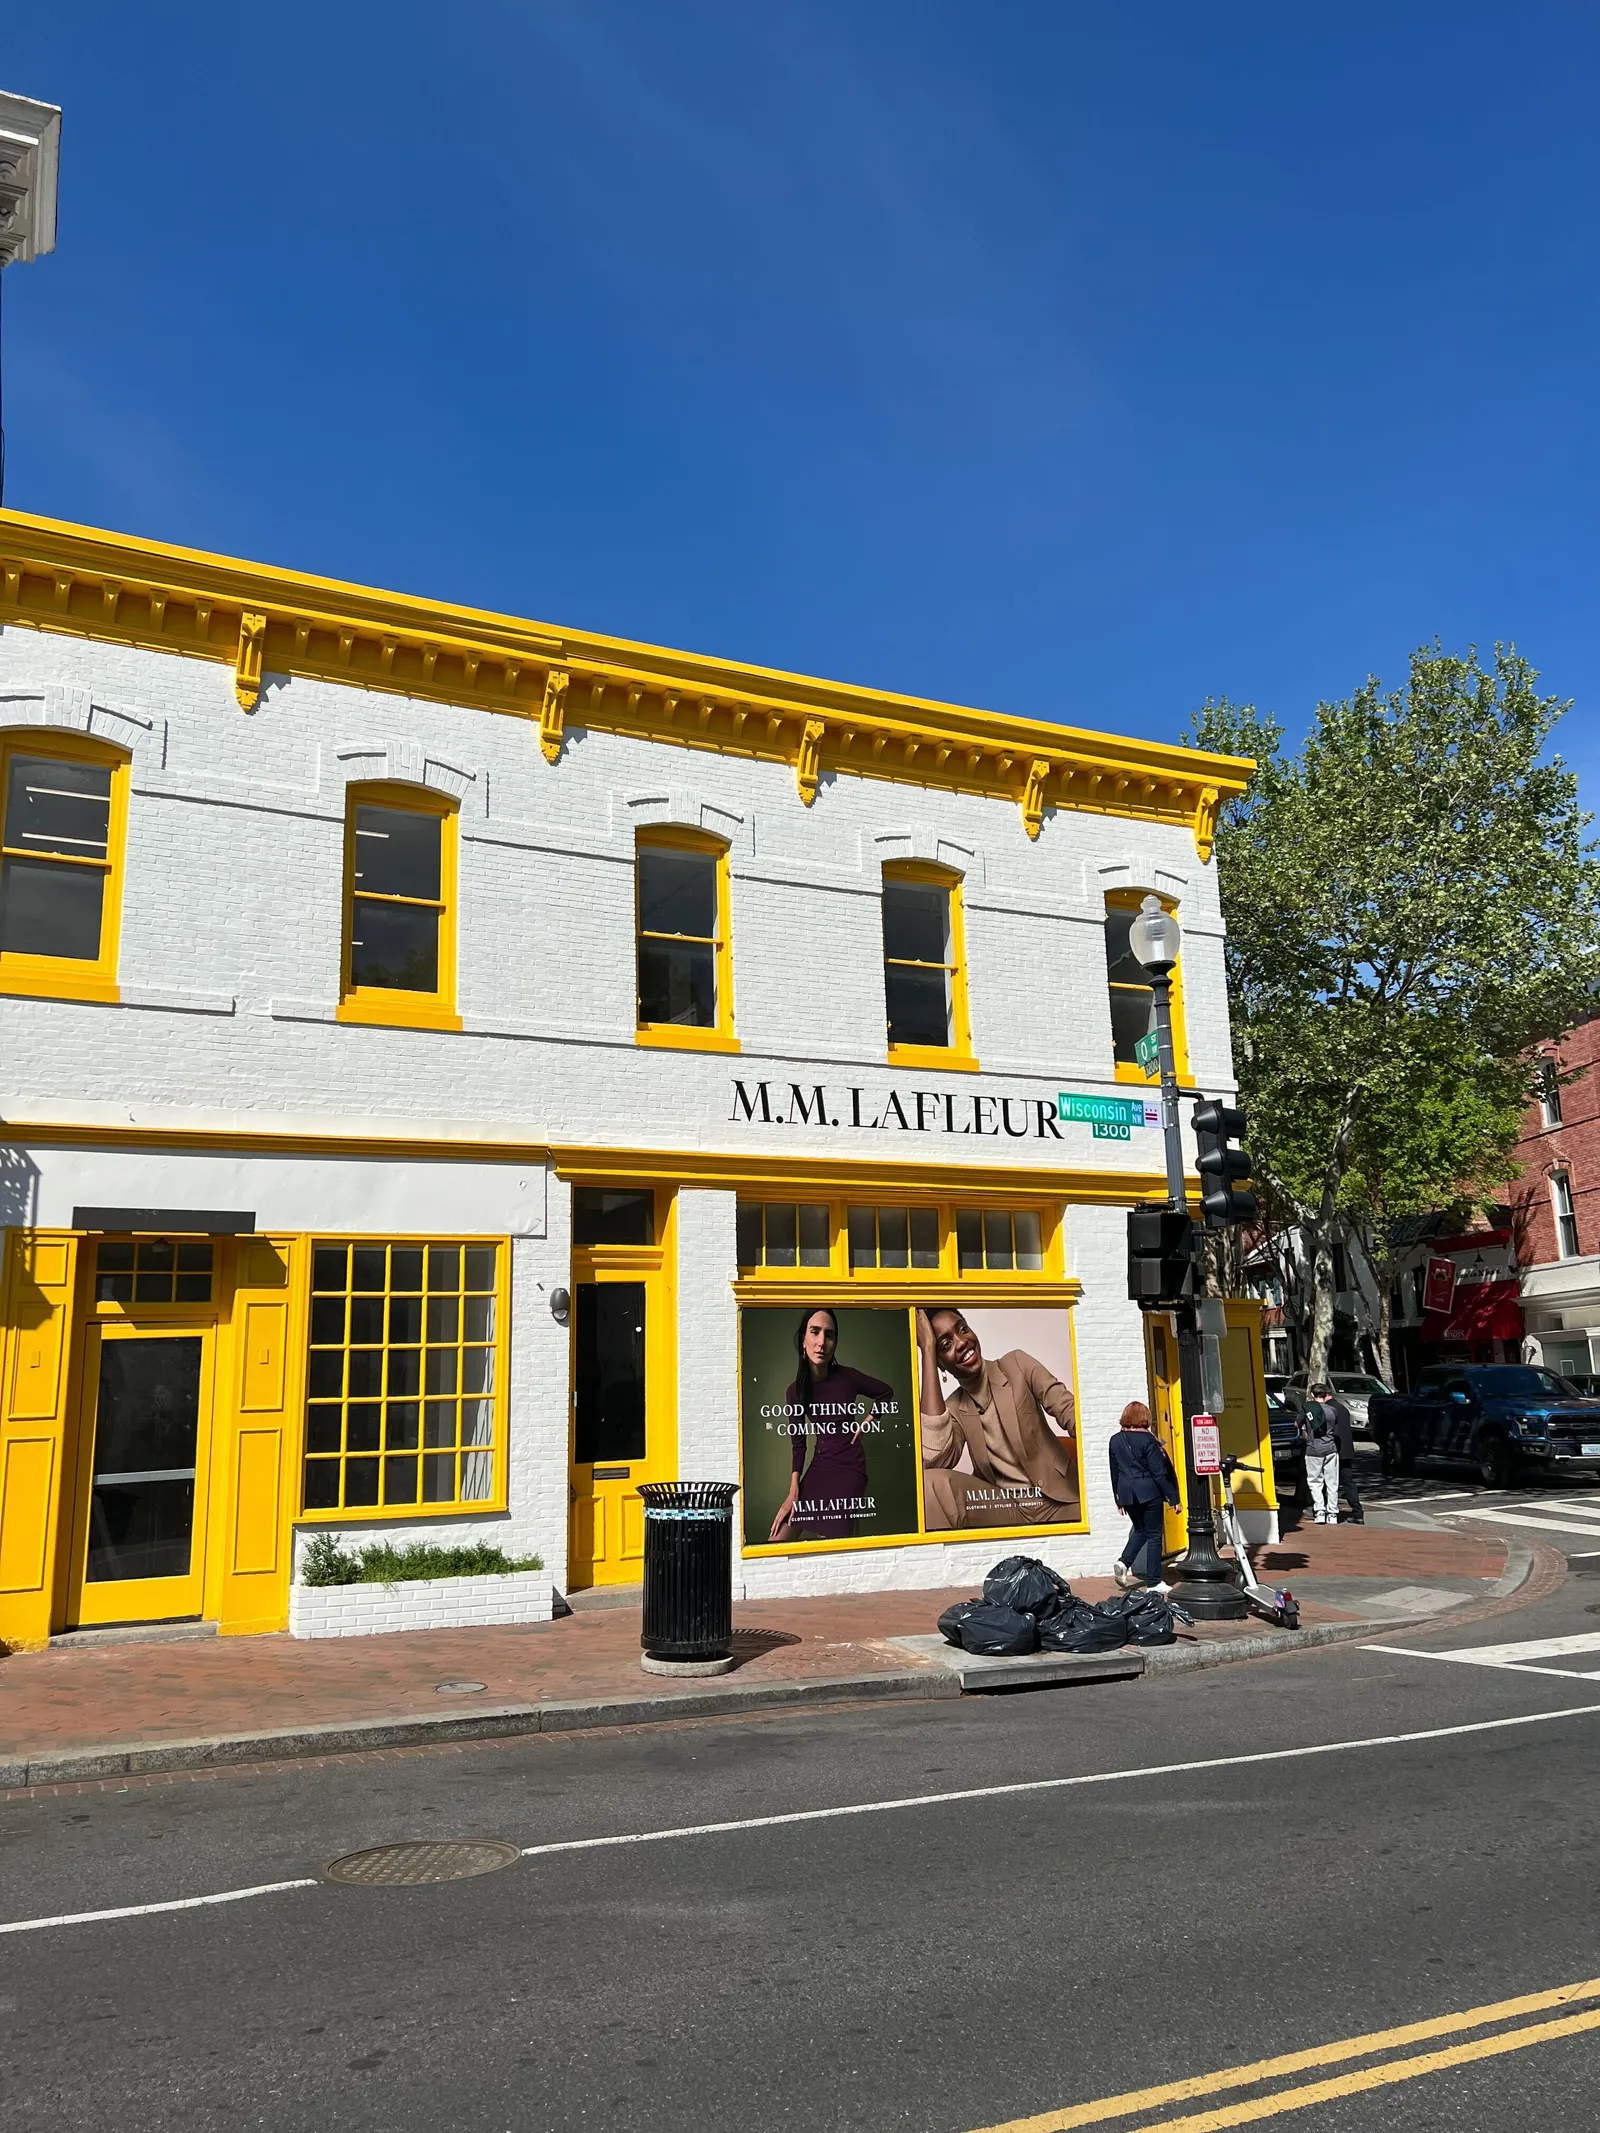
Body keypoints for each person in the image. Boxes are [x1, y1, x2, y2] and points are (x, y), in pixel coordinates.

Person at [915, 1306, 1080, 1529]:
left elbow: (1068, 1409)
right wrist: (927, 1351)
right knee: (929, 1485)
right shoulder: (954, 1407)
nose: (961, 1342)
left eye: (963, 1329)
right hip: (1006, 1508)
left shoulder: (1017, 1365)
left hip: (1060, 1498)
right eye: (946, 1344)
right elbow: (934, 1460)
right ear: (940, 1363)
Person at [768, 1308, 897, 1542]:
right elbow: (798, 1443)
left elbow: (886, 1393)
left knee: (829, 1543)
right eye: (815, 1332)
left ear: (834, 1343)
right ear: (803, 1340)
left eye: (829, 1335)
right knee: (777, 1541)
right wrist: (793, 1491)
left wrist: (868, 1422)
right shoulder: (794, 1392)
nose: (821, 1342)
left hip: (850, 1467)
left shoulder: (848, 1377)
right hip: (820, 1465)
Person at [1107, 1400, 1180, 1587]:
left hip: (1126, 1493)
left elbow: (1114, 1471)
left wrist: (1118, 1497)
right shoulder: (1149, 1440)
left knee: (1140, 1529)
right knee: (1155, 1535)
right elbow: (1159, 1472)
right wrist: (1173, 1498)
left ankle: (1123, 1562)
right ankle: (1154, 1582)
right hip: (1149, 1492)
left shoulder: (1115, 1440)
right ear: (1144, 1418)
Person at [1299, 1384, 1341, 1524]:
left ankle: (1320, 1511)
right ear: (1325, 1394)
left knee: (1315, 1481)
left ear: (1312, 1394)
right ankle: (1333, 1513)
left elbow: (1297, 1424)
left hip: (1313, 1449)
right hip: (1330, 1448)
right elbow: (1335, 1426)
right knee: (1332, 1482)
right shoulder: (1333, 1410)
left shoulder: (1308, 1408)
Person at [1325, 1386, 1363, 1523]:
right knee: (1348, 1482)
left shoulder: (1327, 1409)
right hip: (1346, 1450)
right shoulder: (1342, 1408)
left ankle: (1325, 1510)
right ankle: (1358, 1512)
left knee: (1326, 1481)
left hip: (1331, 1449)